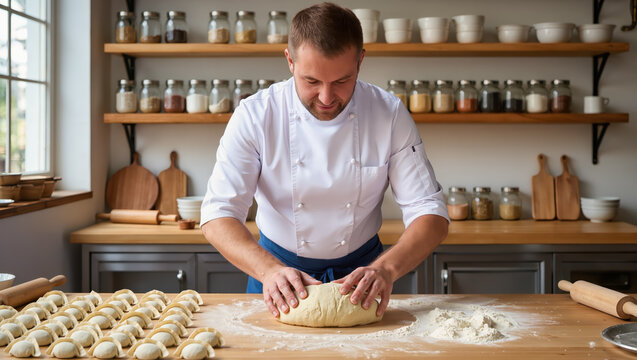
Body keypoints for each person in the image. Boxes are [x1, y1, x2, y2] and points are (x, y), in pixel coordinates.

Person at [200, 2, 449, 319]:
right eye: (312, 82)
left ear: (360, 61)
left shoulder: (388, 113)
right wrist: (269, 270)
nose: (327, 98)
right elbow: (218, 214)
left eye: (342, 81)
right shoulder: (255, 116)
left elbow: (430, 213)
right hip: (277, 277)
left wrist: (385, 269)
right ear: (289, 61)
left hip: (364, 278)